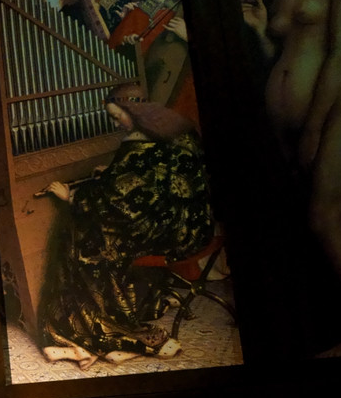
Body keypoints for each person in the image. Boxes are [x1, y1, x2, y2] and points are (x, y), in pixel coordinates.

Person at [241, 0, 341, 355]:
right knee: (339, 221)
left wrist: (312, 128)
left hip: (339, 104)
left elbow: (339, 53)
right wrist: (260, 32)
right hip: (291, 123)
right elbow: (281, 58)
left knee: (324, 218)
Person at [37, 92, 214, 369]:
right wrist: (112, 173)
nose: (115, 123)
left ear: (133, 110)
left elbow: (118, 200)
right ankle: (116, 311)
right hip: (194, 226)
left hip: (170, 234)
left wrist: (71, 196)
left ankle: (105, 326)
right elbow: (146, 181)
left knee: (89, 243)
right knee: (97, 235)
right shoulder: (175, 129)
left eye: (116, 116)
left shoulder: (138, 143)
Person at [109, 0, 198, 125]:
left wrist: (188, 36)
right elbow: (113, 55)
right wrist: (128, 45)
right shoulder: (136, 14)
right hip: (157, 87)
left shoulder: (188, 2)